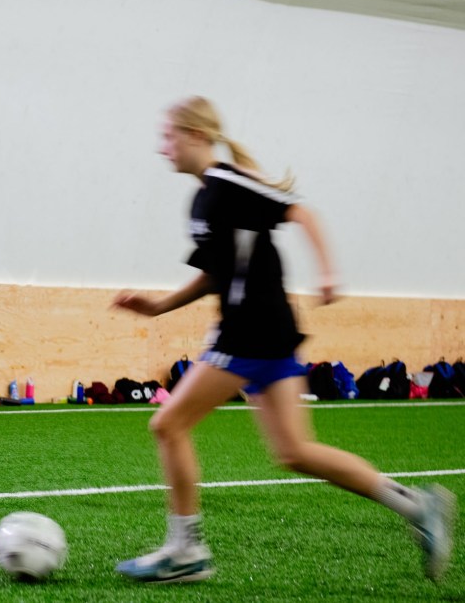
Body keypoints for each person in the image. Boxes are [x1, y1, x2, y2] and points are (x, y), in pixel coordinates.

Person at [112, 96, 455, 584]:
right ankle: (418, 506)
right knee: (295, 451)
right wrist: (158, 306)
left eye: (168, 135)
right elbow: (214, 274)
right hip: (269, 334)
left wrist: (329, 273)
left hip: (250, 332)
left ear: (194, 135)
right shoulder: (203, 199)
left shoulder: (229, 182)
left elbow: (302, 214)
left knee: (168, 425)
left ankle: (186, 550)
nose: (161, 146)